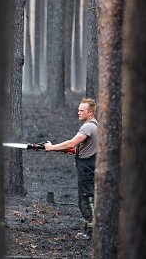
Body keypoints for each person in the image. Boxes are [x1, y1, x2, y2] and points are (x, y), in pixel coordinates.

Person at [44, 98, 98, 240]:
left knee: (86, 199)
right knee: (85, 198)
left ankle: (91, 232)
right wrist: (68, 150)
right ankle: (89, 230)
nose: (78, 112)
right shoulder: (94, 126)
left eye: (82, 110)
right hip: (88, 166)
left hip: (87, 168)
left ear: (90, 112)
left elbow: (72, 142)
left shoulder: (88, 127)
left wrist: (51, 148)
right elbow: (80, 147)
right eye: (78, 109)